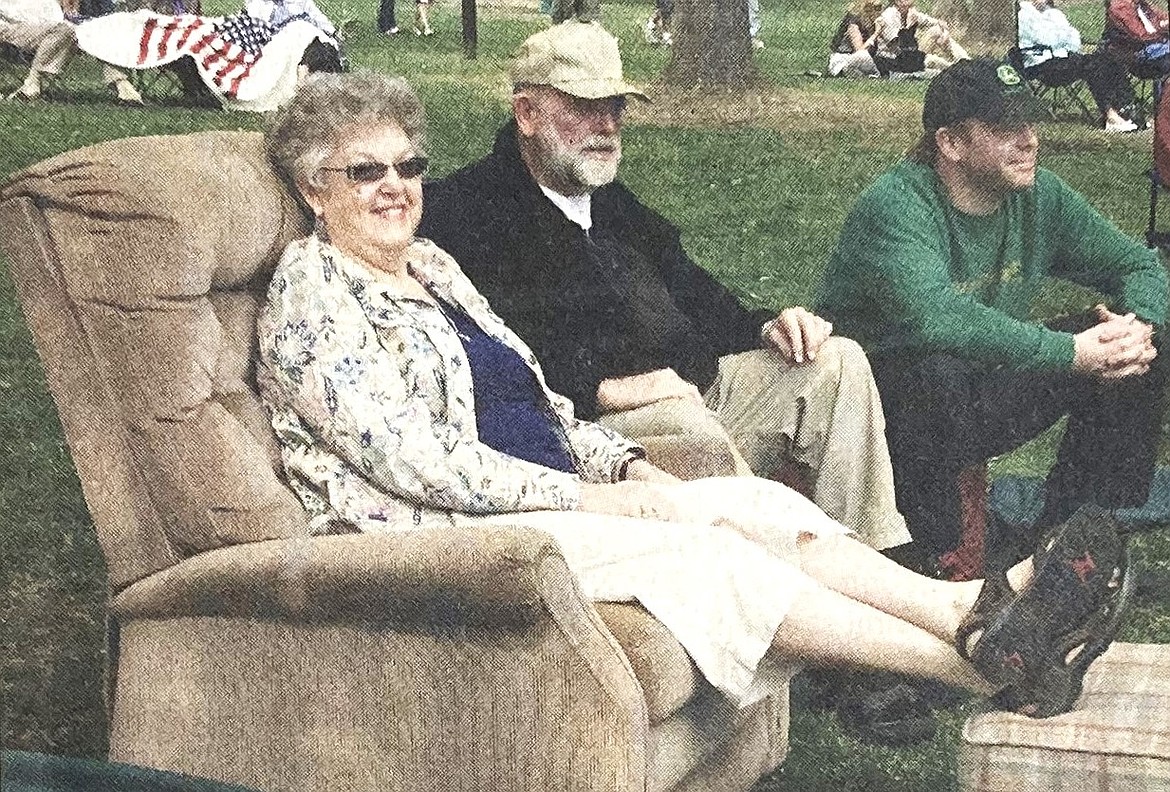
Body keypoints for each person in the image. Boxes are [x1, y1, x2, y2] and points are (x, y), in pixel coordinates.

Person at [258, 69, 1129, 724]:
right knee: (707, 554)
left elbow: (538, 406)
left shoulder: (432, 270)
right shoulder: (313, 292)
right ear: (312, 188)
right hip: (454, 535)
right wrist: (596, 493)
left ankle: (969, 607)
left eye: (406, 165)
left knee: (744, 502)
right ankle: (984, 667)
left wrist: (628, 462)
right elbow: (413, 459)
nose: (394, 187)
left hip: (544, 488)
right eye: (363, 171)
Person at [419, 21, 911, 557]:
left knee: (835, 363)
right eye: (584, 107)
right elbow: (482, 360)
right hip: (602, 430)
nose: (606, 125)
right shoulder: (466, 215)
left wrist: (766, 323)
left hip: (692, 385)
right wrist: (603, 388)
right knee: (686, 419)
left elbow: (693, 292)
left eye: (615, 107)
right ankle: (789, 577)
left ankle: (875, 556)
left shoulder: (607, 201)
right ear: (528, 115)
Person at [818, 59, 1168, 579]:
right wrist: (1070, 352)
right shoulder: (897, 205)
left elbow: (1137, 263)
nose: (1028, 140)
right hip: (877, 412)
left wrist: (1137, 326)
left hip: (975, 384)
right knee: (936, 369)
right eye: (1004, 128)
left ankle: (1074, 539)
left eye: (1028, 124)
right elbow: (937, 317)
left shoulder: (1038, 195)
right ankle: (941, 551)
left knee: (1139, 353)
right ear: (951, 144)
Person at [1018, 0, 1138, 132]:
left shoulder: (1054, 14)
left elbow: (1075, 41)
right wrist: (1064, 36)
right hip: (1041, 66)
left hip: (1065, 59)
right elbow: (1045, 39)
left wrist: (1060, 37)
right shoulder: (1022, 15)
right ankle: (1110, 116)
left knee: (1108, 61)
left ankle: (1127, 110)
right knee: (1093, 66)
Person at [1, 0, 142, 102]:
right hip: (12, 27)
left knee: (106, 28)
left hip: (54, 28)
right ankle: (33, 81)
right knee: (66, 29)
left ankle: (122, 83)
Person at [872, 0, 968, 75]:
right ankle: (957, 69)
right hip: (894, 60)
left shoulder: (911, 13)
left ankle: (966, 61)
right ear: (897, 1)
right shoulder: (888, 16)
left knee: (936, 30)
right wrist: (909, 26)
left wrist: (945, 33)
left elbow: (938, 23)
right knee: (934, 61)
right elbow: (900, 44)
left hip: (911, 56)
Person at [1104, 0, 1170, 76]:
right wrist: (1161, 29)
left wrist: (1164, 25)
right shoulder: (1121, 7)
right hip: (1139, 56)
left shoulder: (1140, 4)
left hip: (1158, 47)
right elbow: (1140, 36)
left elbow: (1161, 17)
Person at [828, 0, 882, 77]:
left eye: (879, 7)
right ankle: (871, 73)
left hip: (861, 61)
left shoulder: (874, 21)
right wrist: (876, 33)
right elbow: (859, 50)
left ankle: (867, 74)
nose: (878, 11)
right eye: (875, 8)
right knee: (863, 55)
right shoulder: (853, 20)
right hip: (844, 59)